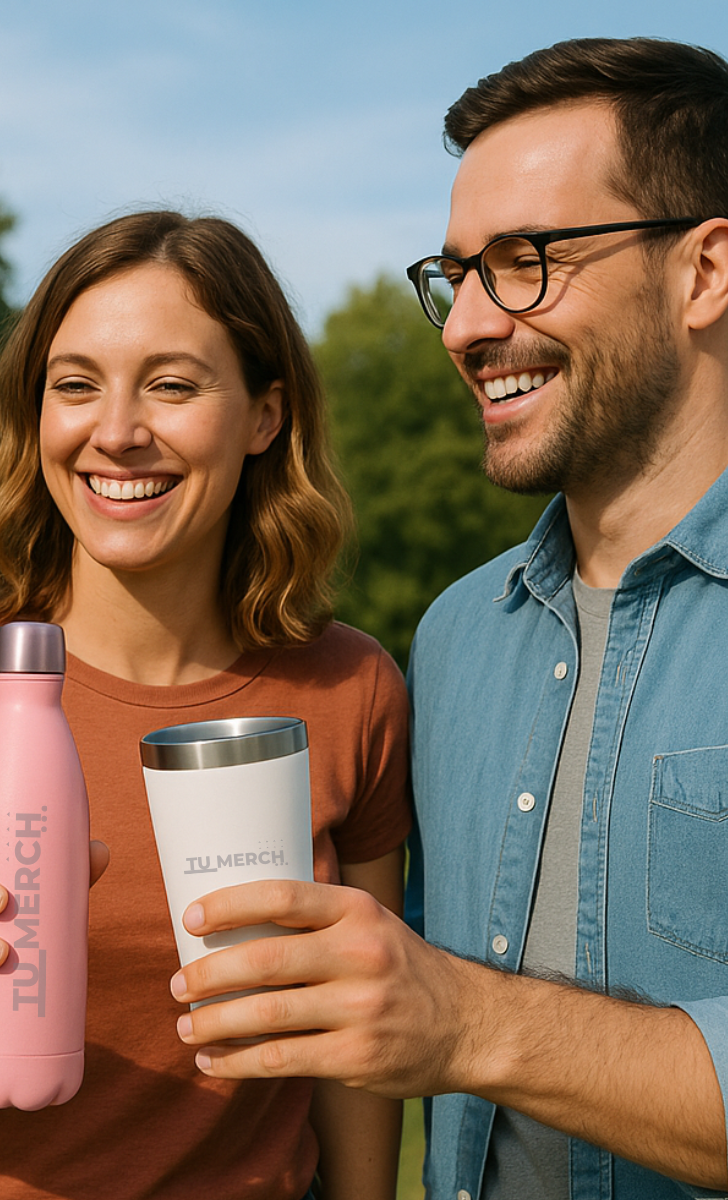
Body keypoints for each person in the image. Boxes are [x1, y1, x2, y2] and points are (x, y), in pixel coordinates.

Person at [168, 34, 728, 1200]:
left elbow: (445, 1017)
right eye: (458, 274)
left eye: (525, 261)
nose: (466, 326)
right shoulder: (456, 639)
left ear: (706, 271)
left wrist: (469, 1023)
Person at [0, 210, 412, 1200]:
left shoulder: (351, 689)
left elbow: (355, 1055)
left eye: (172, 385)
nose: (115, 432)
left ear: (265, 417)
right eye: (75, 386)